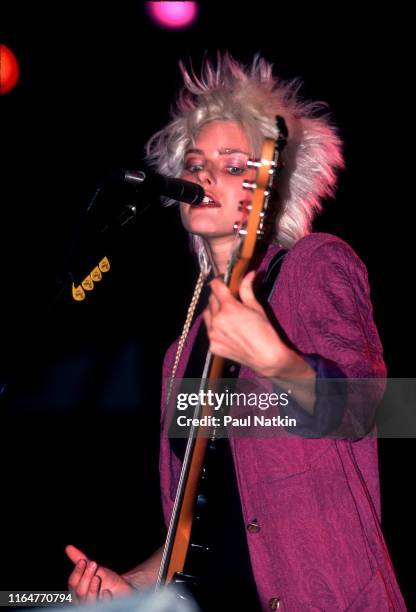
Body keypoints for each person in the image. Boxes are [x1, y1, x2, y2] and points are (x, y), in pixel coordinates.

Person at [66, 53, 406, 610]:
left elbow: (376, 409)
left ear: (273, 187)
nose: (202, 177)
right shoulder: (179, 353)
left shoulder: (312, 267)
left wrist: (278, 361)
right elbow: (199, 528)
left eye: (230, 165)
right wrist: (128, 587)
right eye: (195, 164)